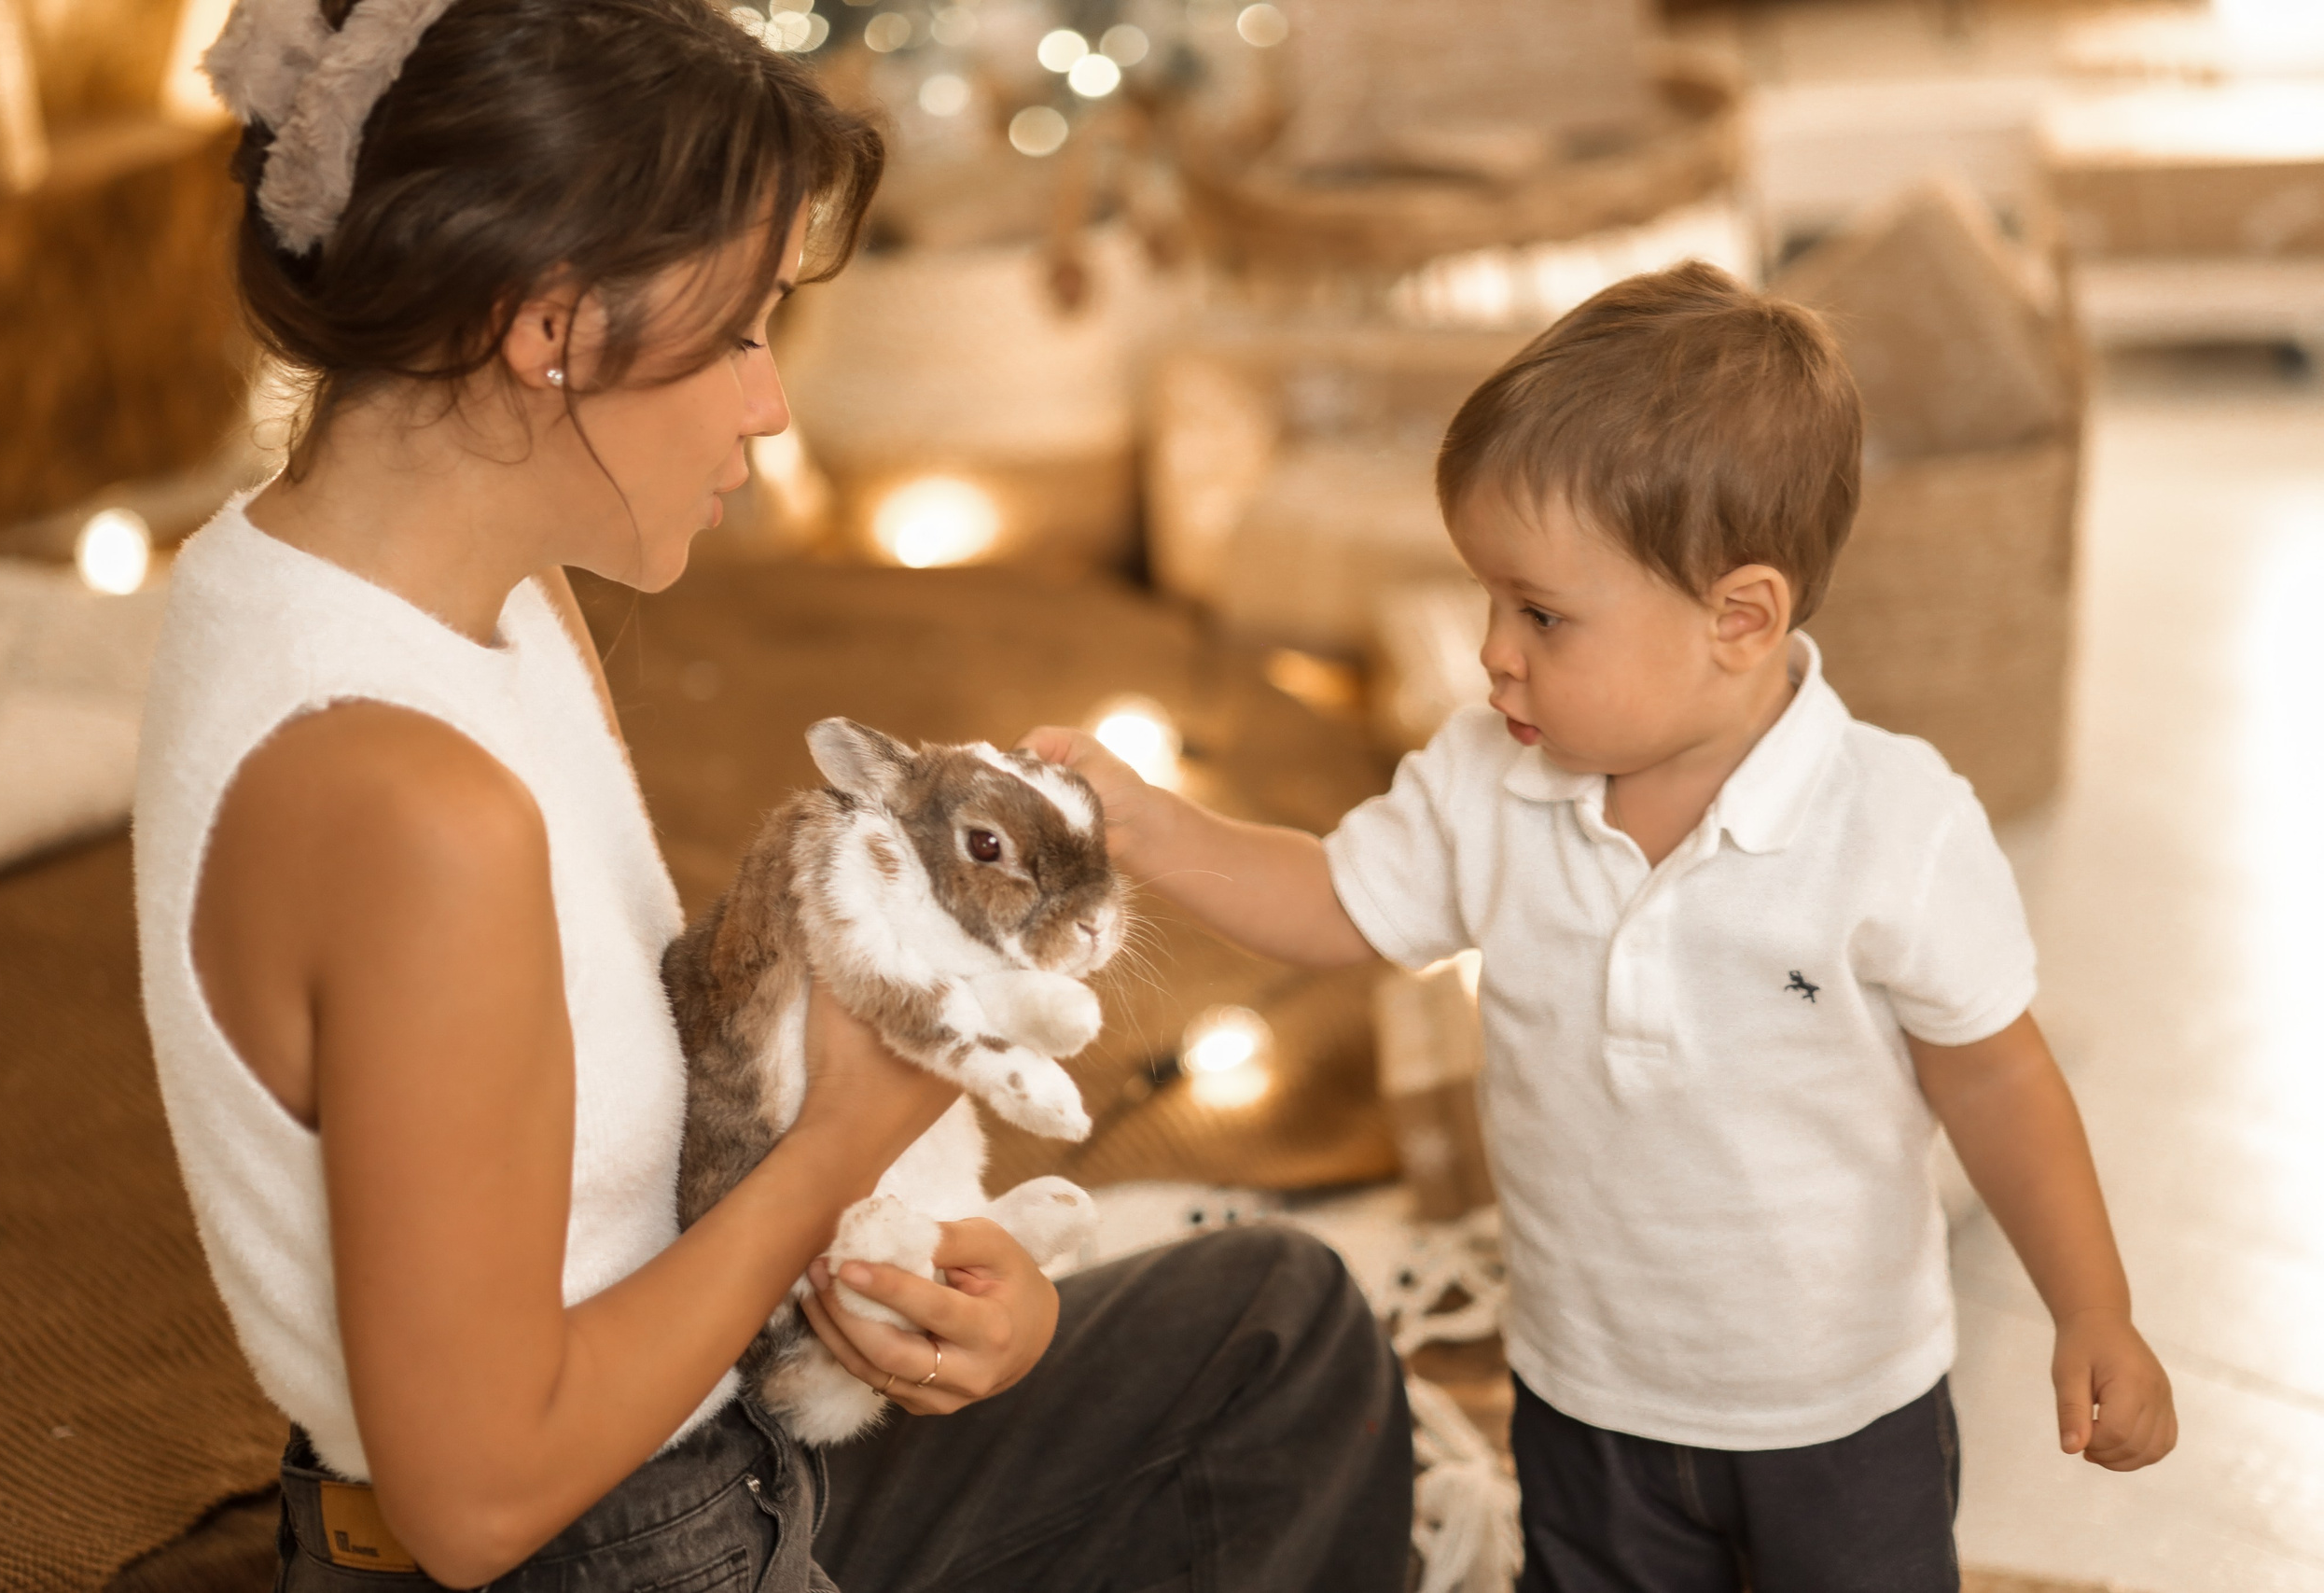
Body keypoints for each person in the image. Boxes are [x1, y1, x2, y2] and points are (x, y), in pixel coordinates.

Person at [132, 0, 1412, 1586]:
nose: (770, 402)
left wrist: (893, 1275)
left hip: (708, 1427)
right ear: (550, 330)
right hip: (593, 1546)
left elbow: (622, 1112)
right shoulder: (405, 801)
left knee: (1275, 1328)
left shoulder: (427, 589)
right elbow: (473, 1505)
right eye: (741, 332)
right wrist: (837, 1150)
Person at [1027, 262, 2178, 1592]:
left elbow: (1999, 1077)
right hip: (1586, 1394)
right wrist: (1155, 827)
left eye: (1542, 615)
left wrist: (2093, 1308)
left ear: (1738, 619)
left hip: (1839, 1415)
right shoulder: (1485, 780)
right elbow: (1335, 900)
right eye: (1489, 600)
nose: (1491, 652)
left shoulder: (1895, 825)